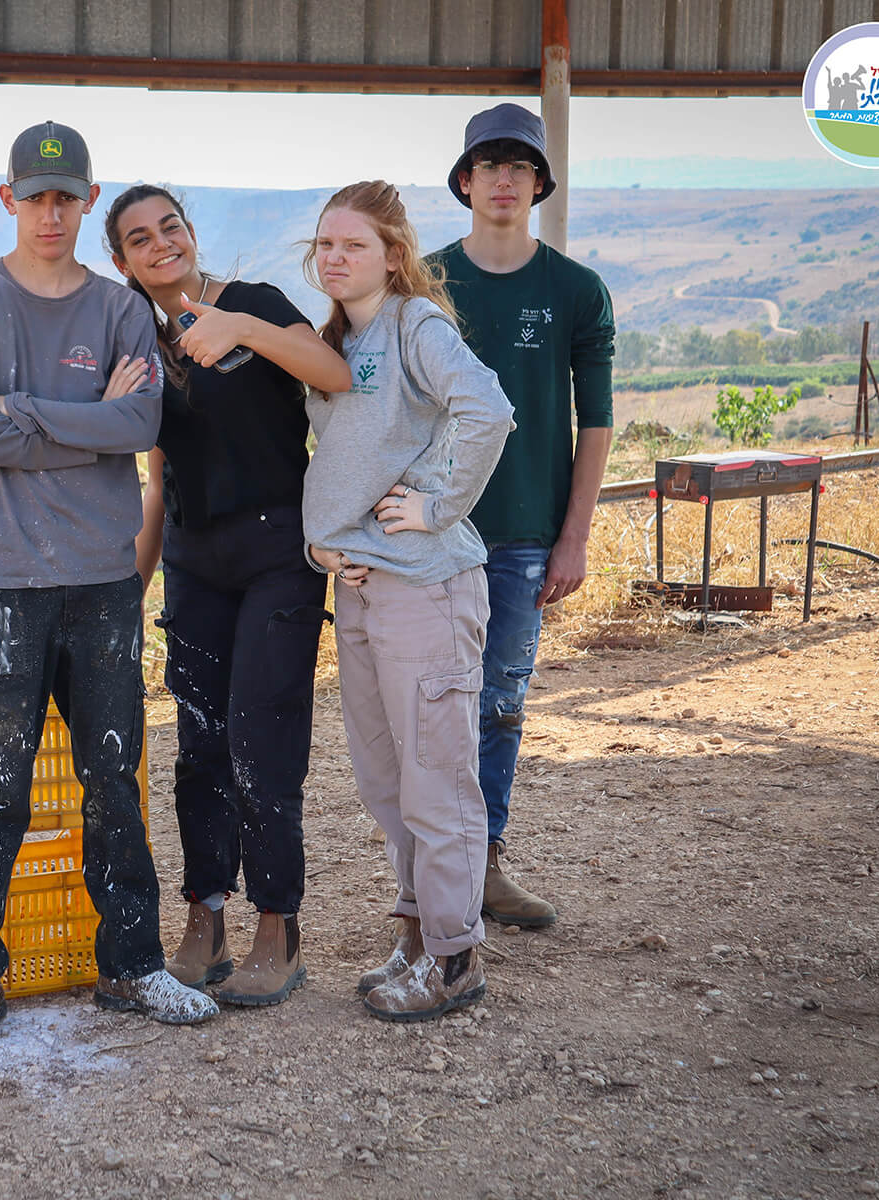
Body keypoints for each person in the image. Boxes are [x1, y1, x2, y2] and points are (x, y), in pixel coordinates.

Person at [0, 122, 218, 1050]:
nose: (50, 212)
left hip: (102, 580)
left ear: (89, 203)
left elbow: (138, 423)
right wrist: (82, 420)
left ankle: (132, 967)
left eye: (67, 196)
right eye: (34, 195)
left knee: (111, 779)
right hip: (1, 583)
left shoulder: (120, 310)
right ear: (7, 199)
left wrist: (35, 415)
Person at [103, 185, 349, 1006]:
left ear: (191, 231)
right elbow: (158, 473)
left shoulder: (255, 304)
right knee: (199, 741)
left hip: (280, 548)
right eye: (140, 239)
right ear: (122, 262)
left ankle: (278, 925)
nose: (160, 244)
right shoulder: (135, 337)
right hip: (194, 554)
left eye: (170, 226)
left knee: (260, 732)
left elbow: (333, 372)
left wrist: (241, 328)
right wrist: (129, 591)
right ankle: (204, 917)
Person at [301, 181, 514, 1022]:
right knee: (387, 778)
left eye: (351, 245)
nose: (333, 258)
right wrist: (325, 540)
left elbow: (488, 409)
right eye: (323, 245)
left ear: (393, 255)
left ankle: (458, 957)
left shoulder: (414, 325)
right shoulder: (333, 339)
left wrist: (435, 504)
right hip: (362, 590)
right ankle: (419, 933)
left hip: (428, 586)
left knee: (437, 777)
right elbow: (342, 463)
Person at [431, 103, 617, 929]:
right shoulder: (424, 284)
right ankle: (430, 873)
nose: (503, 179)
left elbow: (596, 421)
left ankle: (485, 864)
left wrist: (572, 536)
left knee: (500, 701)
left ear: (539, 185)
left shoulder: (574, 290)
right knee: (435, 703)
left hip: (523, 539)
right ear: (466, 181)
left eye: (520, 167)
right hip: (433, 533)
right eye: (488, 165)